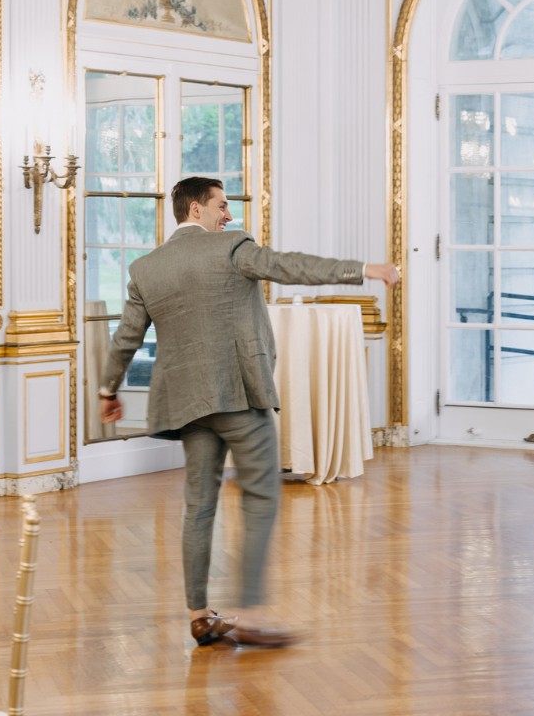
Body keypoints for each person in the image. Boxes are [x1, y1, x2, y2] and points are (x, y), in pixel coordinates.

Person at [100, 176, 400, 648]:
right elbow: (290, 266)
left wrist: (107, 389)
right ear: (196, 209)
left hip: (187, 404)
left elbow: (126, 338)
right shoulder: (231, 248)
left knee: (198, 507)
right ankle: (250, 614)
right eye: (222, 206)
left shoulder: (146, 268)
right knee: (262, 494)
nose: (229, 215)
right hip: (240, 395)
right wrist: (364, 269)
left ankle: (200, 615)